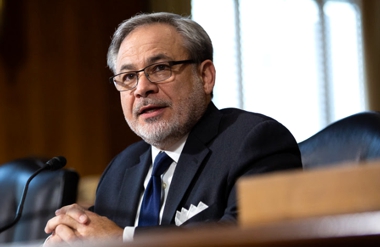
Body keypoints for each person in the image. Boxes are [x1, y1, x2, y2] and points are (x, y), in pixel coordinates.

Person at [44, 12, 302, 245]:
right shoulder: (120, 169)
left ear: (205, 76)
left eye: (160, 68)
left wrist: (122, 239)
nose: (142, 88)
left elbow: (253, 236)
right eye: (129, 77)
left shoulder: (255, 141)